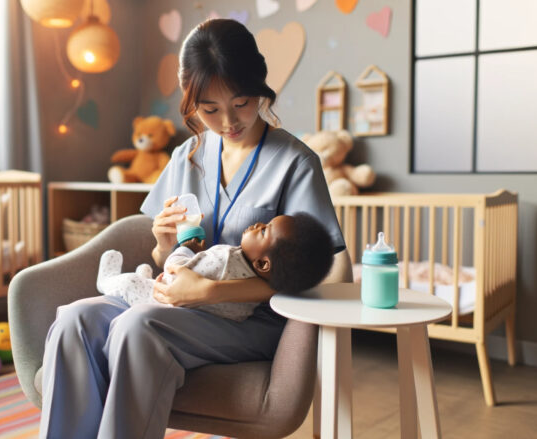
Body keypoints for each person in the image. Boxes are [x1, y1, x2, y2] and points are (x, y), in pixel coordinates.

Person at [39, 18, 345, 439]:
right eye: (209, 110)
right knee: (75, 319)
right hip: (175, 304)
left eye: (241, 103)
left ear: (259, 86)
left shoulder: (295, 163)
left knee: (136, 326)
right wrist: (163, 245)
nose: (227, 122)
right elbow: (167, 260)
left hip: (250, 320)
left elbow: (320, 275)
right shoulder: (187, 156)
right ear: (191, 100)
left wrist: (210, 292)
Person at [96, 213, 334, 321]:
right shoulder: (247, 292)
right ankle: (141, 276)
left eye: (264, 230)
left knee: (128, 285)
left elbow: (174, 270)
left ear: (263, 263)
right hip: (188, 310)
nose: (258, 223)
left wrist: (186, 248)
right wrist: (162, 245)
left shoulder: (226, 261)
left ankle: (106, 280)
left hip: (161, 299)